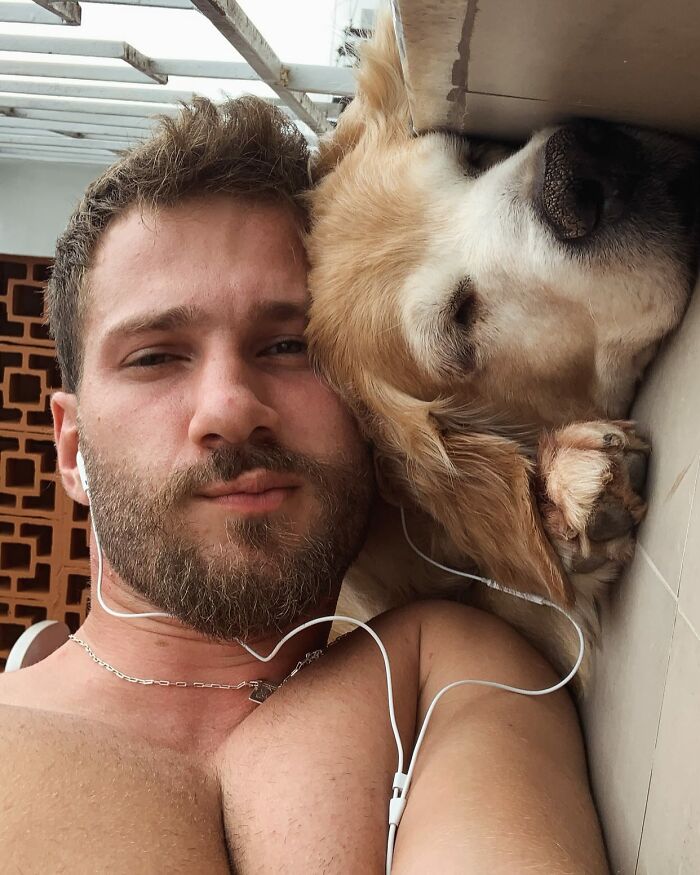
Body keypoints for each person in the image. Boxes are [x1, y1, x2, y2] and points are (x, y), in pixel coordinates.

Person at [0, 96, 608, 873]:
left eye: (289, 344)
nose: (230, 408)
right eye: (155, 356)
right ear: (71, 444)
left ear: (366, 402)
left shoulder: (444, 671)